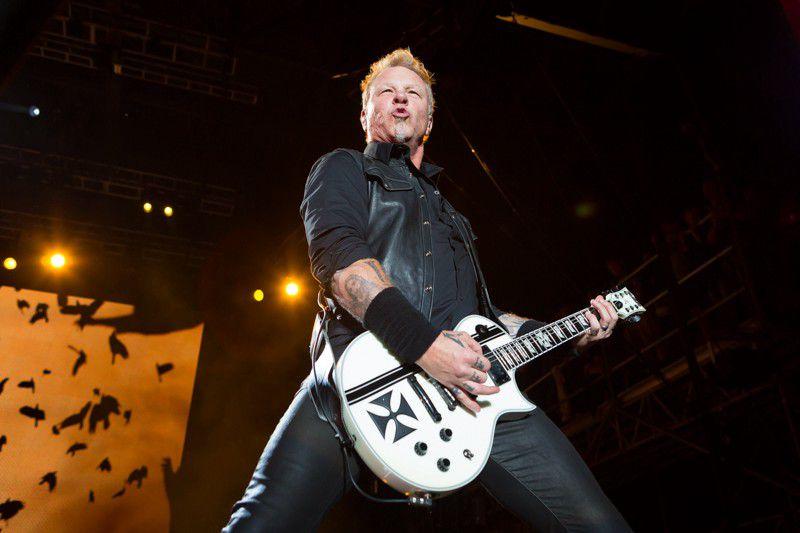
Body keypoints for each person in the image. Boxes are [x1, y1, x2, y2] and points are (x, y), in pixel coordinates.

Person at [223, 48, 631, 532]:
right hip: (358, 383)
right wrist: (426, 348)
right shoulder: (343, 168)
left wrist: (571, 333)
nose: (400, 99)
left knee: (601, 525)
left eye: (413, 93)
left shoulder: (452, 216)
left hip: (473, 393)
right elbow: (343, 265)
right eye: (386, 92)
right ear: (364, 114)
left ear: (429, 120)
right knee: (259, 525)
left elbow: (488, 318)